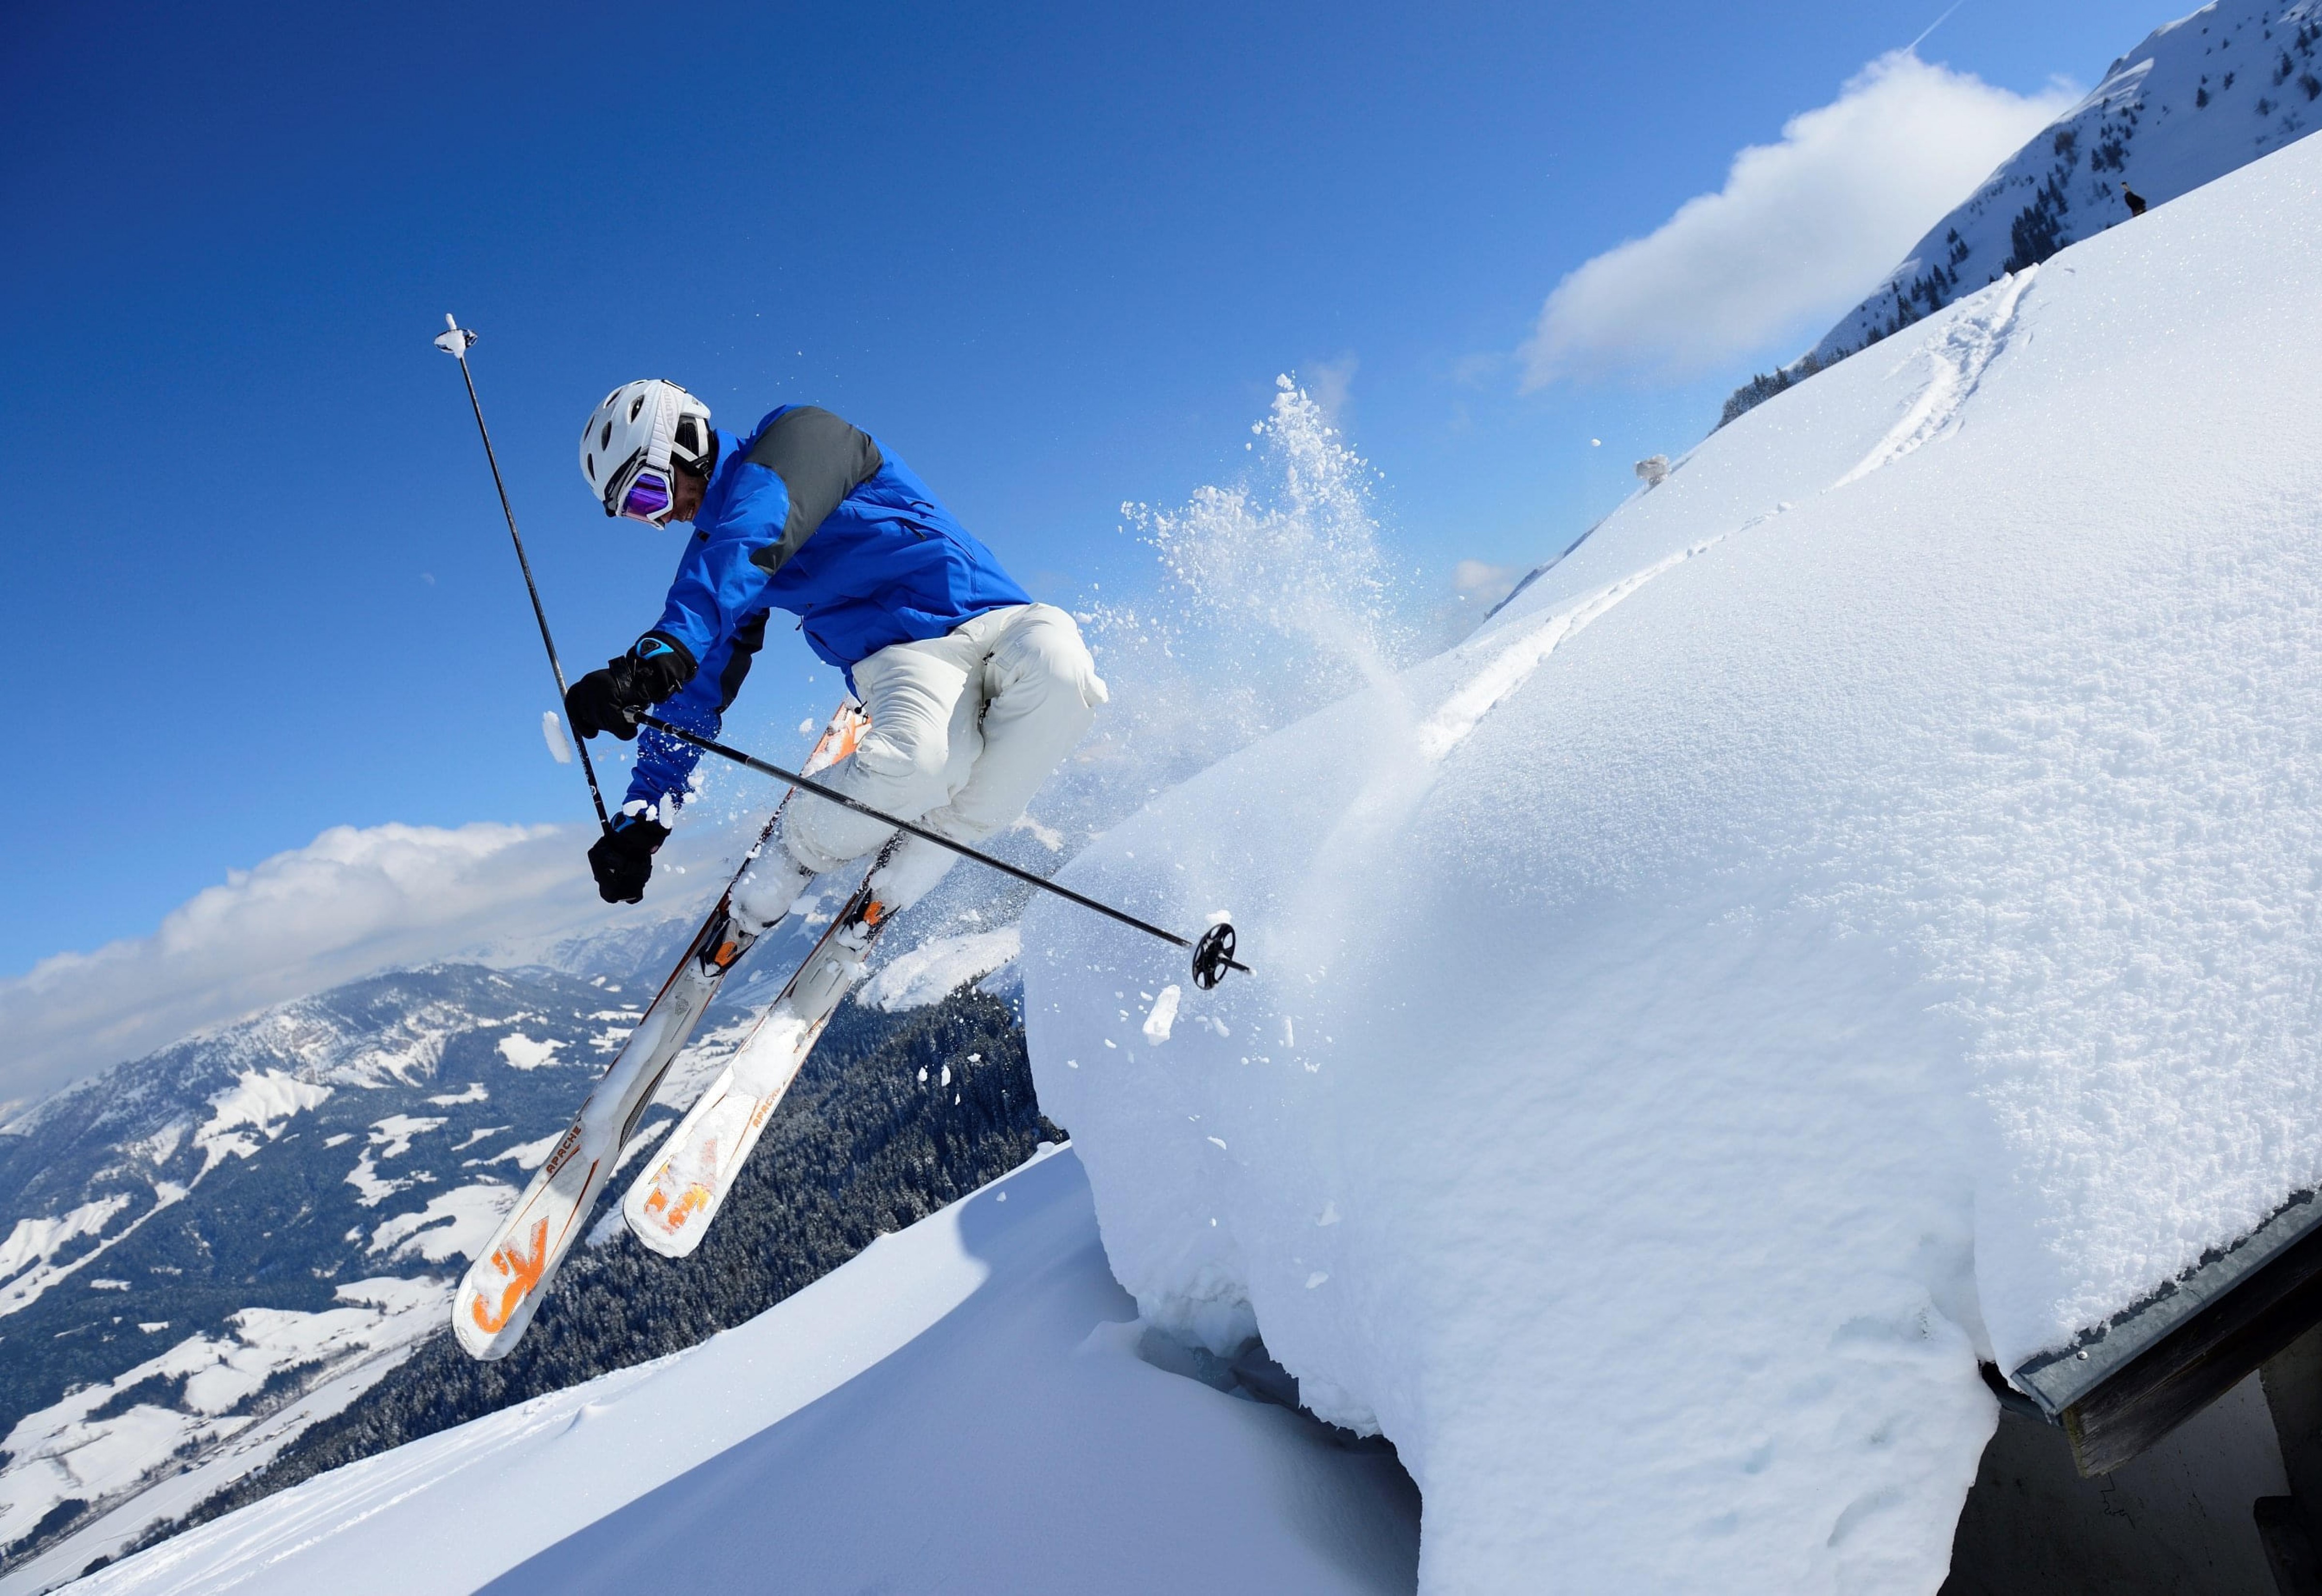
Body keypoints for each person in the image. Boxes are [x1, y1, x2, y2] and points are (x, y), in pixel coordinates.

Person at [564, 380, 1106, 932]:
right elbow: (694, 692)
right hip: (906, 659)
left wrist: (654, 659)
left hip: (995, 616)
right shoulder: (717, 561)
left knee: (1061, 666)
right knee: (919, 763)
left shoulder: (802, 437)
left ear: (683, 442)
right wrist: (642, 820)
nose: (665, 517)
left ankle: (943, 835)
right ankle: (799, 848)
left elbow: (761, 523)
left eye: (651, 494)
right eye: (638, 514)